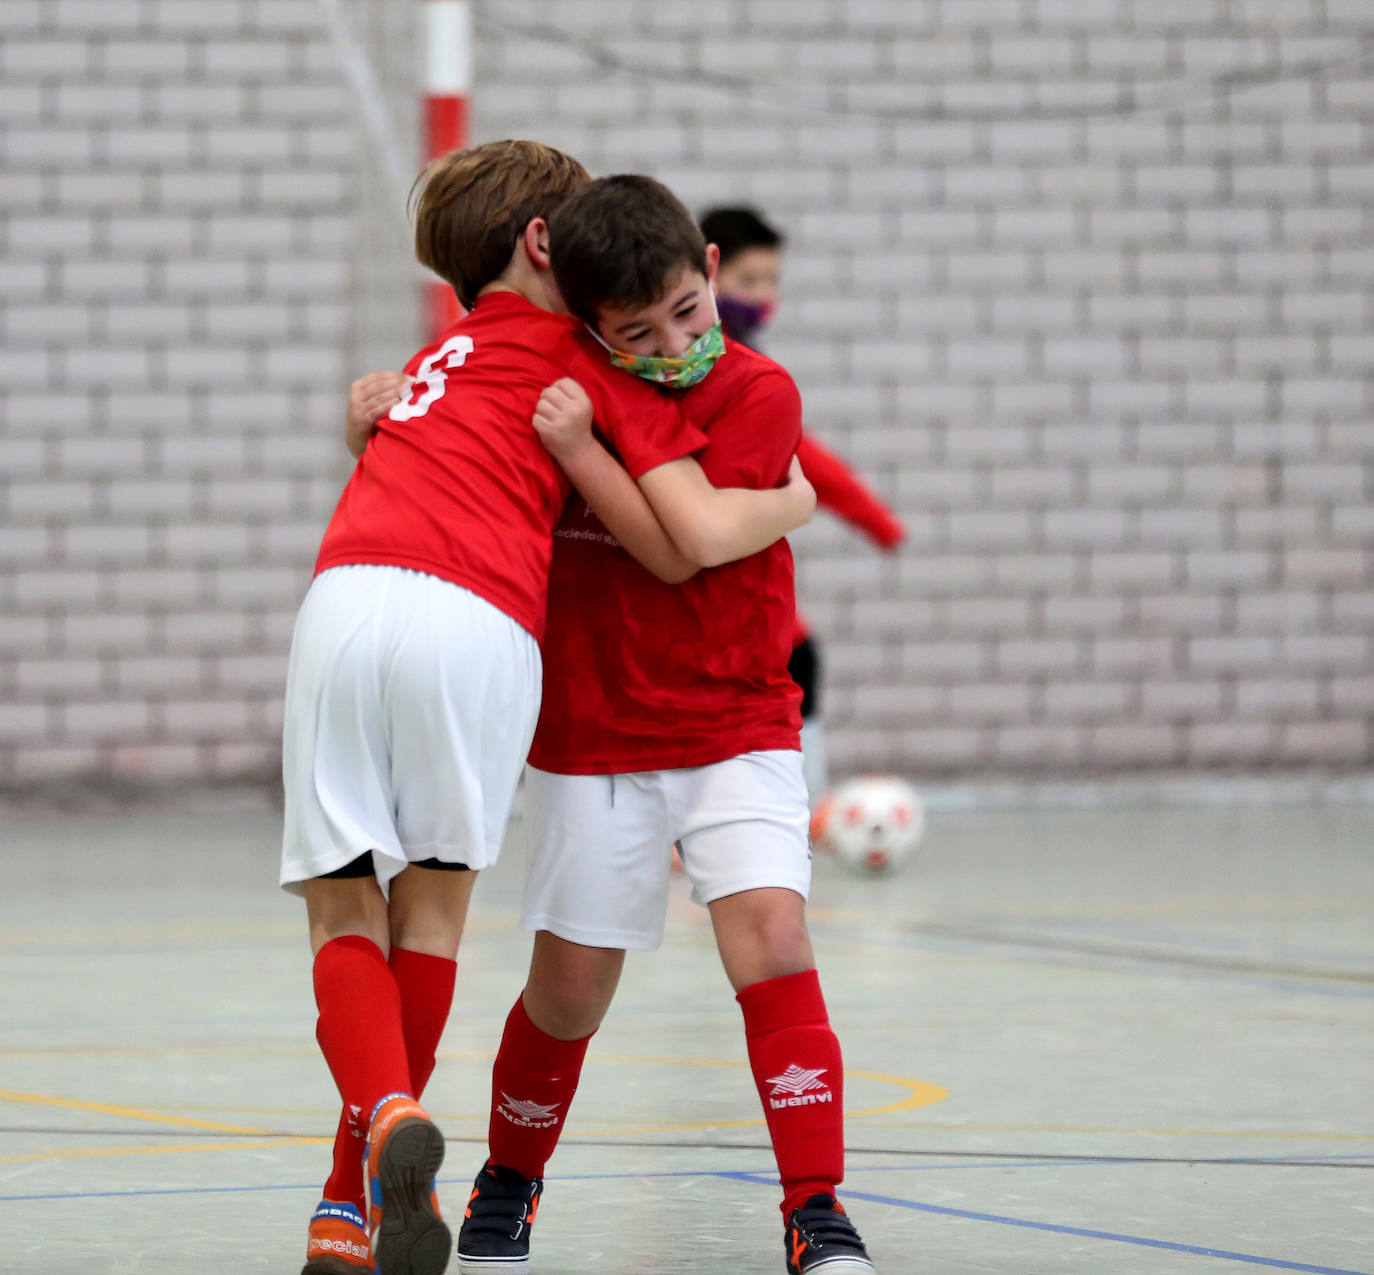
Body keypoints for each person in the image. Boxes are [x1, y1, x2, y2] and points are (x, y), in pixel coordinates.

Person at [286, 141, 815, 1275]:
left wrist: (355, 425)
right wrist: (797, 501)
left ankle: (361, 1179)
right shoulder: (594, 361)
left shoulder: (433, 355)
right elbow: (696, 539)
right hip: (476, 623)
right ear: (542, 245)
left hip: (343, 594)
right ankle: (354, 1187)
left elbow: (402, 446)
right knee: (428, 917)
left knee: (340, 910)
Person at [701, 206, 907, 811]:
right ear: (707, 273)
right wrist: (877, 521)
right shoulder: (711, 364)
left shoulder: (746, 358)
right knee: (787, 661)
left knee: (795, 660)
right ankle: (784, 813)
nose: (763, 295)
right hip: (708, 555)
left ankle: (789, 809)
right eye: (749, 280)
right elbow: (806, 457)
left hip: (738, 554)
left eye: (772, 280)